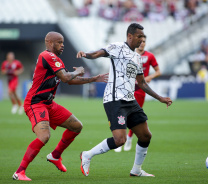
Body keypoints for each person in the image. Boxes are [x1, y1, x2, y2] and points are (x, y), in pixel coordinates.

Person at [77, 23, 172, 177]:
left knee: (145, 135)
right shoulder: (117, 47)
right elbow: (98, 53)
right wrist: (86, 54)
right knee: (119, 140)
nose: (142, 39)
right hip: (115, 100)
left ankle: (136, 170)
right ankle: (87, 155)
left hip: (130, 100)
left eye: (143, 37)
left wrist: (160, 98)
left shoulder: (137, 58)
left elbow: (142, 83)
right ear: (130, 36)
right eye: (139, 36)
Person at [12, 31, 108, 181]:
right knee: (44, 136)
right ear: (49, 43)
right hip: (36, 103)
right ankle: (19, 172)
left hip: (48, 104)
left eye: (63, 42)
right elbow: (65, 77)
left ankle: (55, 156)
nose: (62, 45)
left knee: (76, 126)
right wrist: (77, 71)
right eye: (59, 42)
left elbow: (68, 80)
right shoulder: (47, 56)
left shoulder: (56, 60)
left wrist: (94, 78)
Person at [114, 35, 161, 152]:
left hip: (140, 90)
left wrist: (149, 77)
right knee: (122, 113)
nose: (142, 43)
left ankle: (129, 137)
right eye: (140, 41)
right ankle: (121, 139)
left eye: (144, 41)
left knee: (135, 115)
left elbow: (158, 71)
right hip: (127, 88)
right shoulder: (129, 54)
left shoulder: (149, 56)